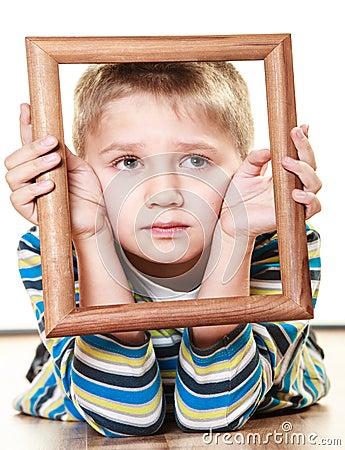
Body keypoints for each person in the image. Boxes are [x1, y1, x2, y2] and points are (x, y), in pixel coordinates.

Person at [4, 62, 329, 437]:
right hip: (86, 394)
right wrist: (90, 236)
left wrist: (236, 234)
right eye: (128, 162)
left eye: (196, 160)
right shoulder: (50, 249)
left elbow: (213, 414)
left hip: (257, 388)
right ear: (82, 173)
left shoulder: (286, 245)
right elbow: (124, 418)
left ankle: (292, 348)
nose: (164, 193)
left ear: (243, 167)